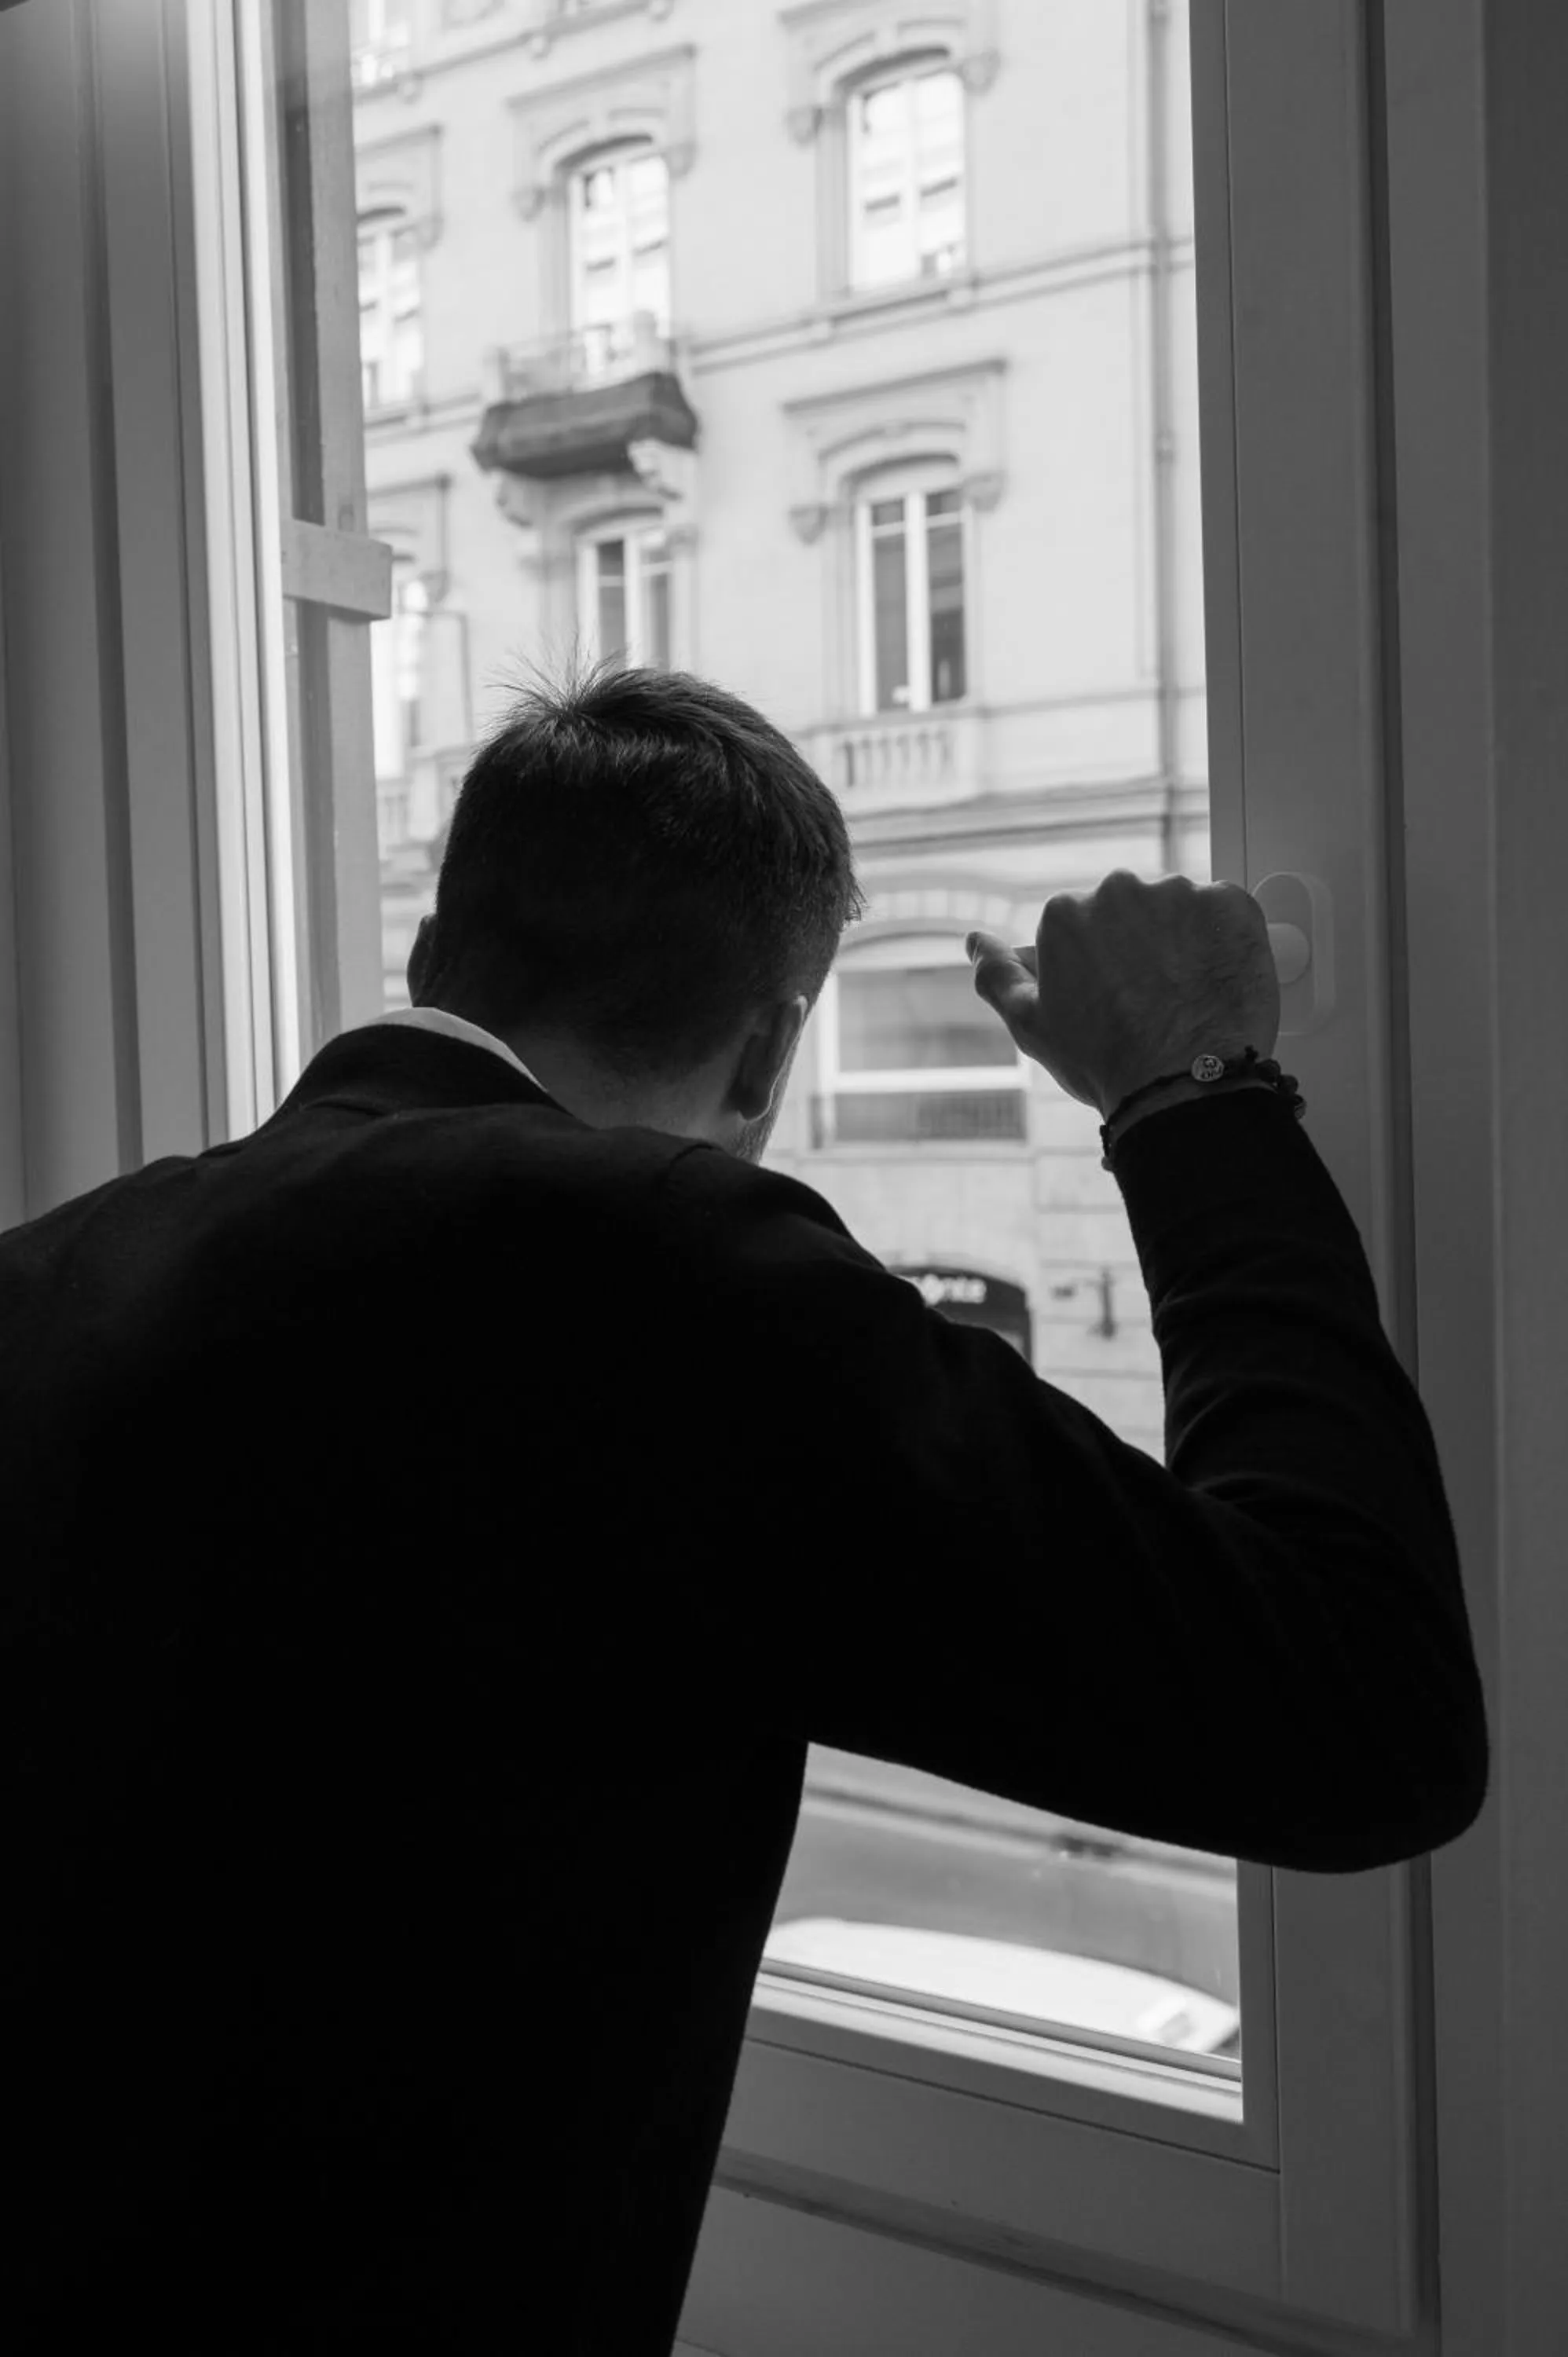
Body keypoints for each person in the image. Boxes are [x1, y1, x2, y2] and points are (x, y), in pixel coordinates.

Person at [0, 663, 1489, 2354]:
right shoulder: (672, 1271)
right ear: (776, 1044)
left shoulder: (51, 1275)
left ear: (435, 954)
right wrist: (1194, 1093)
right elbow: (1355, 1705)